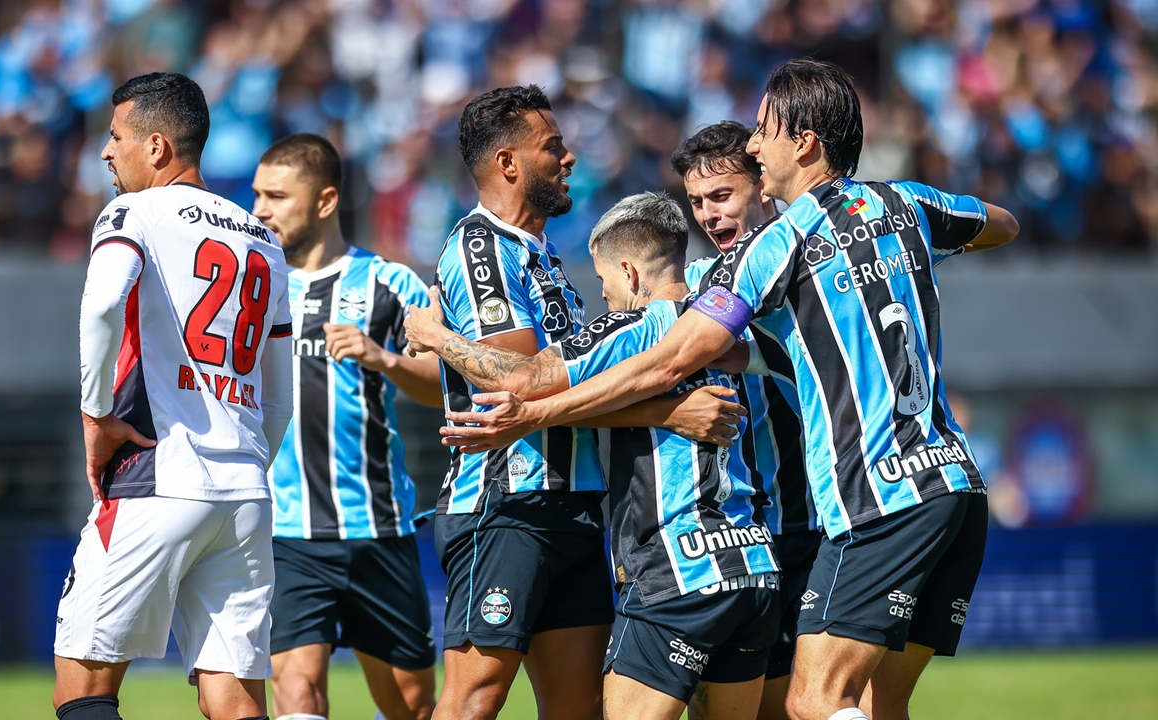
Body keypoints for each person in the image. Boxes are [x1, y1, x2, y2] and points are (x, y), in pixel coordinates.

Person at [435, 59, 1020, 720]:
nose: (753, 147)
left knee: (816, 702)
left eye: (762, 137)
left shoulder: (763, 256)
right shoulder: (904, 204)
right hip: (942, 489)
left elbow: (663, 362)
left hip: (864, 500)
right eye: (698, 202)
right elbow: (1001, 223)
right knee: (874, 703)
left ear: (801, 146)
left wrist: (528, 407)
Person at [427, 85, 744, 720]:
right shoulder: (481, 248)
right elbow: (522, 381)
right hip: (506, 504)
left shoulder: (545, 259)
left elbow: (577, 383)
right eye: (553, 147)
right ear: (507, 164)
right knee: (474, 700)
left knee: (580, 709)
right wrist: (661, 411)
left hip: (574, 509)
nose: (569, 159)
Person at [54, 72, 293, 720]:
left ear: (156, 147)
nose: (106, 152)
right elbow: (280, 402)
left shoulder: (133, 212)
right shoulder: (264, 240)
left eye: (115, 137)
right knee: (236, 703)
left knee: (83, 684)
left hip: (157, 476)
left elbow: (104, 303)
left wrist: (96, 414)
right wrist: (243, 465)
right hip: (244, 493)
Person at [249, 133, 441, 720]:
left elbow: (443, 386)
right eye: (258, 195)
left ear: (326, 202)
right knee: (297, 689)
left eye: (277, 196)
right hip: (287, 530)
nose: (259, 210)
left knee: (411, 704)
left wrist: (385, 359)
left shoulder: (391, 284)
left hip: (377, 527)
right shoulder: (250, 287)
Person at [672, 121, 822, 720]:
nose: (708, 215)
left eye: (721, 196)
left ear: (762, 185)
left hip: (814, 527)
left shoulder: (802, 265)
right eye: (696, 202)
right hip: (740, 537)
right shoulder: (700, 290)